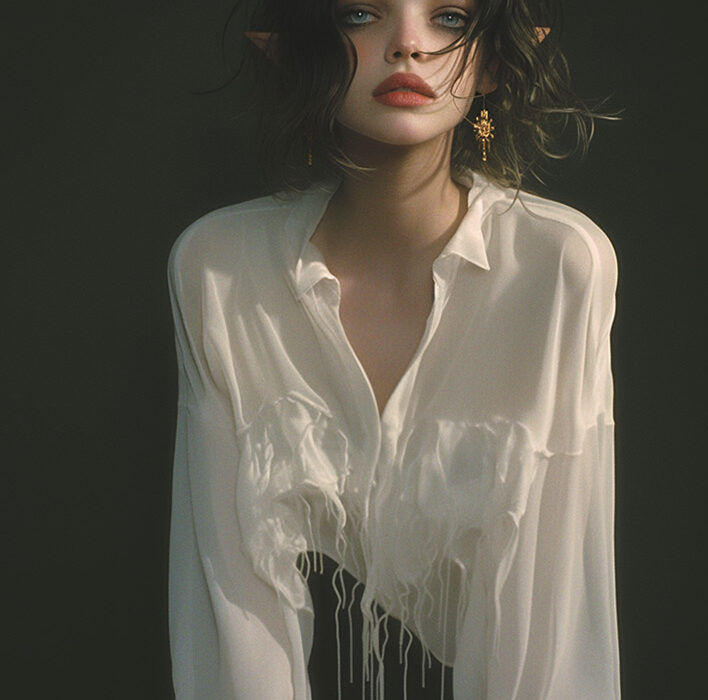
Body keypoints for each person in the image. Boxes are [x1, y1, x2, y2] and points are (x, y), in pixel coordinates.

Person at [167, 0, 621, 698]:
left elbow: (553, 619)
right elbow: (231, 612)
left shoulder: (559, 266)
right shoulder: (217, 269)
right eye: (359, 14)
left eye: (448, 18)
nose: (407, 45)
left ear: (493, 62)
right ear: (300, 49)